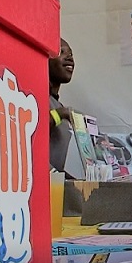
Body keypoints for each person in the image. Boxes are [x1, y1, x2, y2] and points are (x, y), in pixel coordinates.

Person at [49, 38, 75, 175]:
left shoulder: (56, 103)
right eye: (61, 52)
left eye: (71, 54)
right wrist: (60, 114)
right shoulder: (34, 98)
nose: (69, 58)